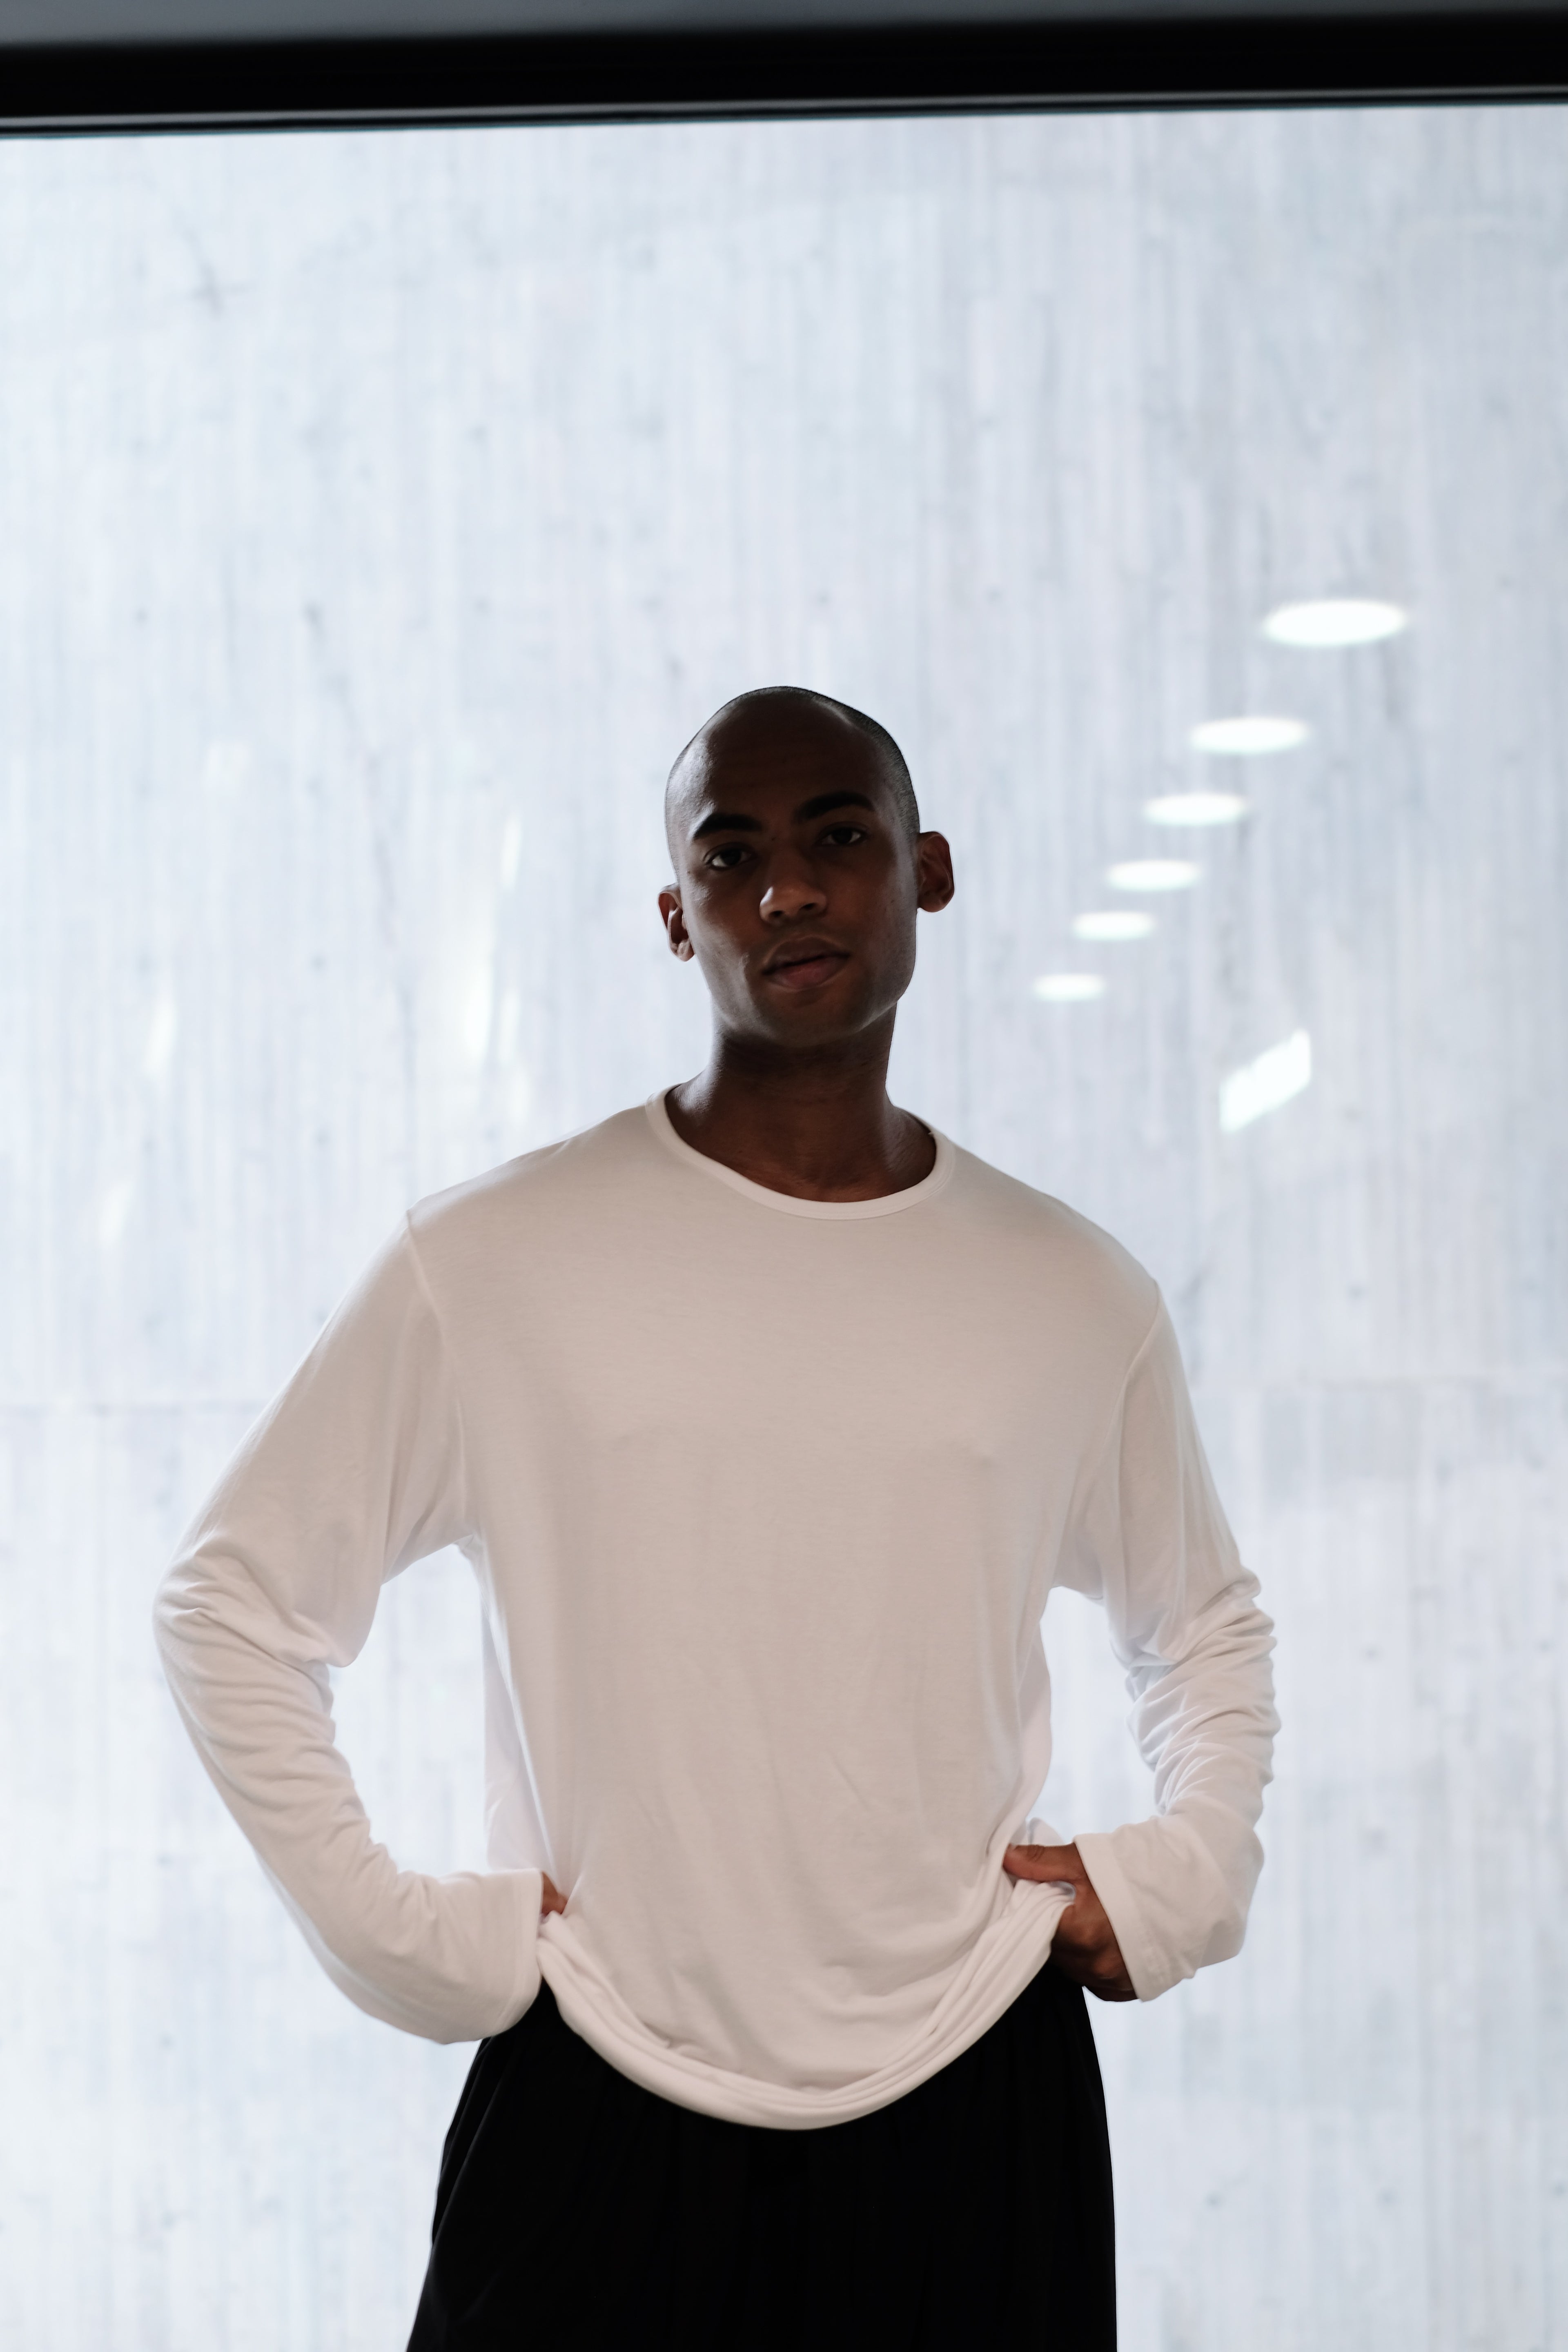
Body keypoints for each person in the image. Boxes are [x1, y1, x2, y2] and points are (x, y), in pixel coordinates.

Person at [156, 686, 1277, 2348]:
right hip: (599, 2083)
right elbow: (231, 1606)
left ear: (928, 870)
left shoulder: (1069, 1290)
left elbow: (1203, 1626)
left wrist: (1187, 1874)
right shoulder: (498, 1263)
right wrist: (403, 1939)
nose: (789, 889)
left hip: (975, 2094)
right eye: (731, 856)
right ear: (678, 917)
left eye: (838, 835)